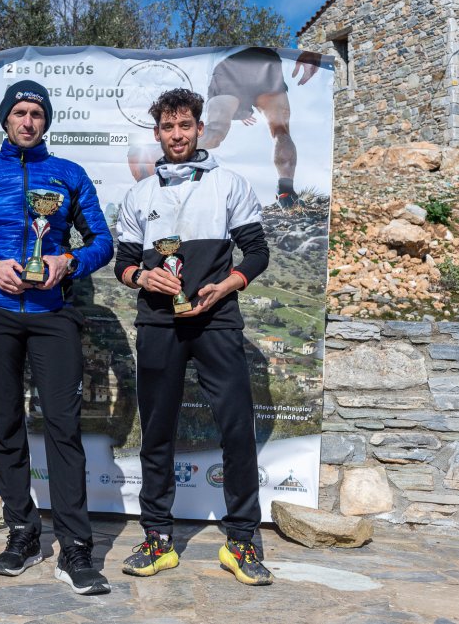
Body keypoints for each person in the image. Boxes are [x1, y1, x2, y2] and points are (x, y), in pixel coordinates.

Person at [0, 80, 114, 595]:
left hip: (53, 314)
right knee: (7, 426)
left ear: (47, 121)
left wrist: (70, 261)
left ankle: (76, 547)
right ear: (5, 118)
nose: (28, 121)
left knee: (62, 427)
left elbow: (102, 242)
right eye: (19, 112)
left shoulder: (69, 175)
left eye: (37, 113)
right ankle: (23, 532)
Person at [114, 88, 273, 586]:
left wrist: (227, 285)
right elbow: (121, 263)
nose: (177, 135)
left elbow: (257, 252)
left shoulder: (229, 184)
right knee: (157, 431)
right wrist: (143, 277)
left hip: (217, 320)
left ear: (199, 129)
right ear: (157, 133)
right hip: (159, 322)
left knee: (235, 428)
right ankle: (157, 538)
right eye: (167, 127)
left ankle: (241, 541)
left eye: (185, 126)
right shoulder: (140, 193)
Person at [199, 47, 321, 208]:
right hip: (264, 62)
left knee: (215, 133)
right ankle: (286, 193)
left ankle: (162, 153)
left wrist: (240, 111)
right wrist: (312, 53)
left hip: (230, 67)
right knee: (281, 132)